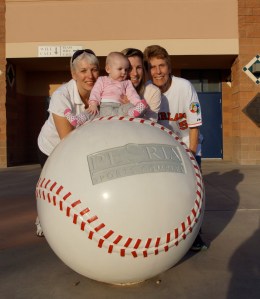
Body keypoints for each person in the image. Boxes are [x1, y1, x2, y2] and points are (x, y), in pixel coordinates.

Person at [143, 45, 207, 251]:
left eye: (161, 65)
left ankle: (195, 235)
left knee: (191, 194)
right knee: (165, 195)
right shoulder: (146, 91)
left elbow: (195, 124)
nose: (158, 71)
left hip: (188, 144)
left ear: (169, 67)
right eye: (153, 67)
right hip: (163, 150)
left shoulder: (184, 86)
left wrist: (191, 154)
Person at [36, 49, 100, 236]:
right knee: (52, 186)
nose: (90, 76)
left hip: (83, 145)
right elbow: (67, 139)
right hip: (53, 147)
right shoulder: (61, 96)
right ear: (73, 74)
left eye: (94, 69)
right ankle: (42, 218)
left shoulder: (102, 92)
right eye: (83, 71)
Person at [64, 51, 148, 127]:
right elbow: (96, 92)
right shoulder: (102, 80)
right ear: (108, 69)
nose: (123, 72)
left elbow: (132, 94)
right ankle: (78, 119)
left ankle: (133, 112)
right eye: (120, 69)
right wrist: (93, 104)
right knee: (90, 112)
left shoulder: (127, 83)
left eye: (126, 70)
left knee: (128, 107)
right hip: (103, 107)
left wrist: (137, 103)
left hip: (118, 108)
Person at [121, 48, 161, 122]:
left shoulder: (153, 92)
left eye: (139, 68)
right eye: (130, 68)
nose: (135, 73)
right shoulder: (109, 89)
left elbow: (150, 126)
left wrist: (130, 106)